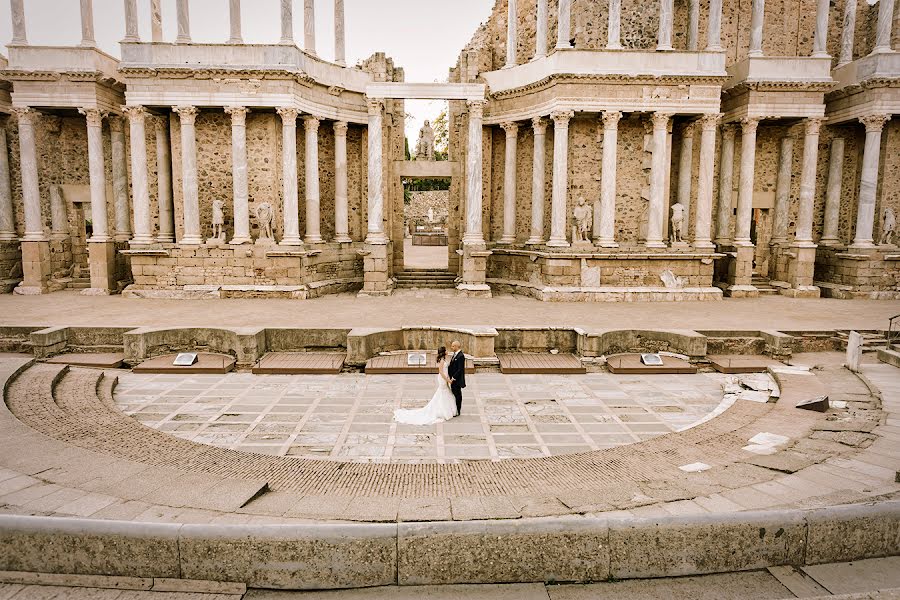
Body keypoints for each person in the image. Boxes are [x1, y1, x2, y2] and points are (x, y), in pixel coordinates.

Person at [393, 346, 457, 425]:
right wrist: (448, 380)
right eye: (446, 350)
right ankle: (443, 410)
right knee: (443, 392)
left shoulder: (443, 359)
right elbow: (441, 372)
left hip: (445, 378)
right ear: (444, 352)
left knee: (444, 392)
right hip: (442, 379)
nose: (448, 351)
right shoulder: (442, 361)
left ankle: (447, 409)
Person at [447, 340, 466, 416]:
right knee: (454, 393)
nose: (451, 347)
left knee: (457, 395)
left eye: (452, 346)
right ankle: (455, 408)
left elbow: (460, 369)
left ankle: (458, 410)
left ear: (456, 346)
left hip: (456, 380)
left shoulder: (461, 356)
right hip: (453, 379)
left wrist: (453, 378)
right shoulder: (455, 354)